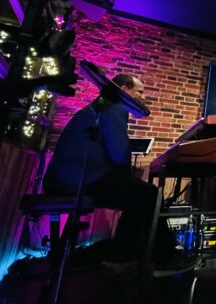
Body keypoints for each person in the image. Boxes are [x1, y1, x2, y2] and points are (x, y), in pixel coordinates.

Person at [44, 74, 188, 276]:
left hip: (65, 178)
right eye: (138, 92)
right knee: (149, 194)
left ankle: (125, 252)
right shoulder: (114, 107)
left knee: (139, 194)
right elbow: (119, 151)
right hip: (82, 178)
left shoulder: (97, 107)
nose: (141, 97)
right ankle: (163, 258)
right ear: (122, 88)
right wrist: (126, 175)